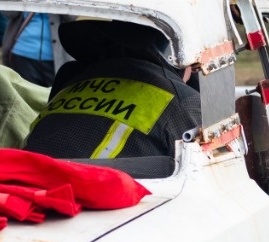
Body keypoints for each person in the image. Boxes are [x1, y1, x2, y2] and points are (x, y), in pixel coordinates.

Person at [23, 19, 200, 161]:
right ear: (178, 55)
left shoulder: (72, 78)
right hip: (91, 199)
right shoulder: (182, 102)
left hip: (19, 187)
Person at [1, 12, 73, 86]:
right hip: (22, 52)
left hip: (57, 57)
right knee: (25, 95)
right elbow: (8, 13)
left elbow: (72, 16)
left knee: (55, 95)